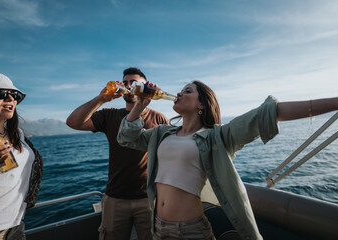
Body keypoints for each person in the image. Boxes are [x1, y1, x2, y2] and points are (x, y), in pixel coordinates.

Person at [117, 80, 338, 240]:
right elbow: (127, 138)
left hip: (190, 230)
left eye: (187, 91)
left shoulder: (217, 136)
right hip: (158, 227)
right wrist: (140, 105)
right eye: (180, 90)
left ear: (201, 104)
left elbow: (267, 114)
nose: (179, 94)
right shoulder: (161, 133)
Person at [66, 67, 169, 240]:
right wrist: (101, 99)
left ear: (146, 86)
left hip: (149, 198)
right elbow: (73, 122)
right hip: (115, 197)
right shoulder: (110, 115)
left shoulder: (159, 118)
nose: (129, 86)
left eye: (134, 83)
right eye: (126, 82)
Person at [0, 71, 43, 240]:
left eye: (14, 95)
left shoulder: (17, 135)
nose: (11, 99)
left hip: (16, 226)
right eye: (1, 94)